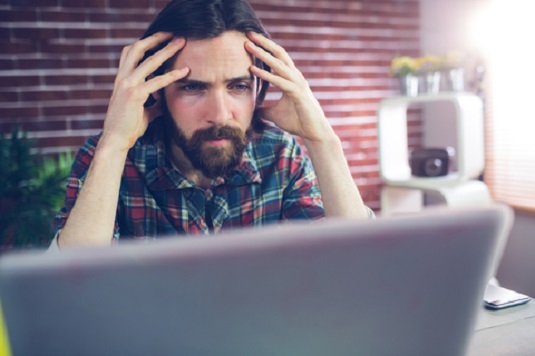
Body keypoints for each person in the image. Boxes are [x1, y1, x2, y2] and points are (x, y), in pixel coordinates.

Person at [52, 0, 373, 249]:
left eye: (238, 87)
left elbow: (361, 267)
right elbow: (68, 288)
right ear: (157, 91)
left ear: (258, 89)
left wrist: (323, 142)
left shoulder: (280, 156)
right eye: (193, 87)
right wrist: (113, 146)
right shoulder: (111, 157)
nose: (220, 115)